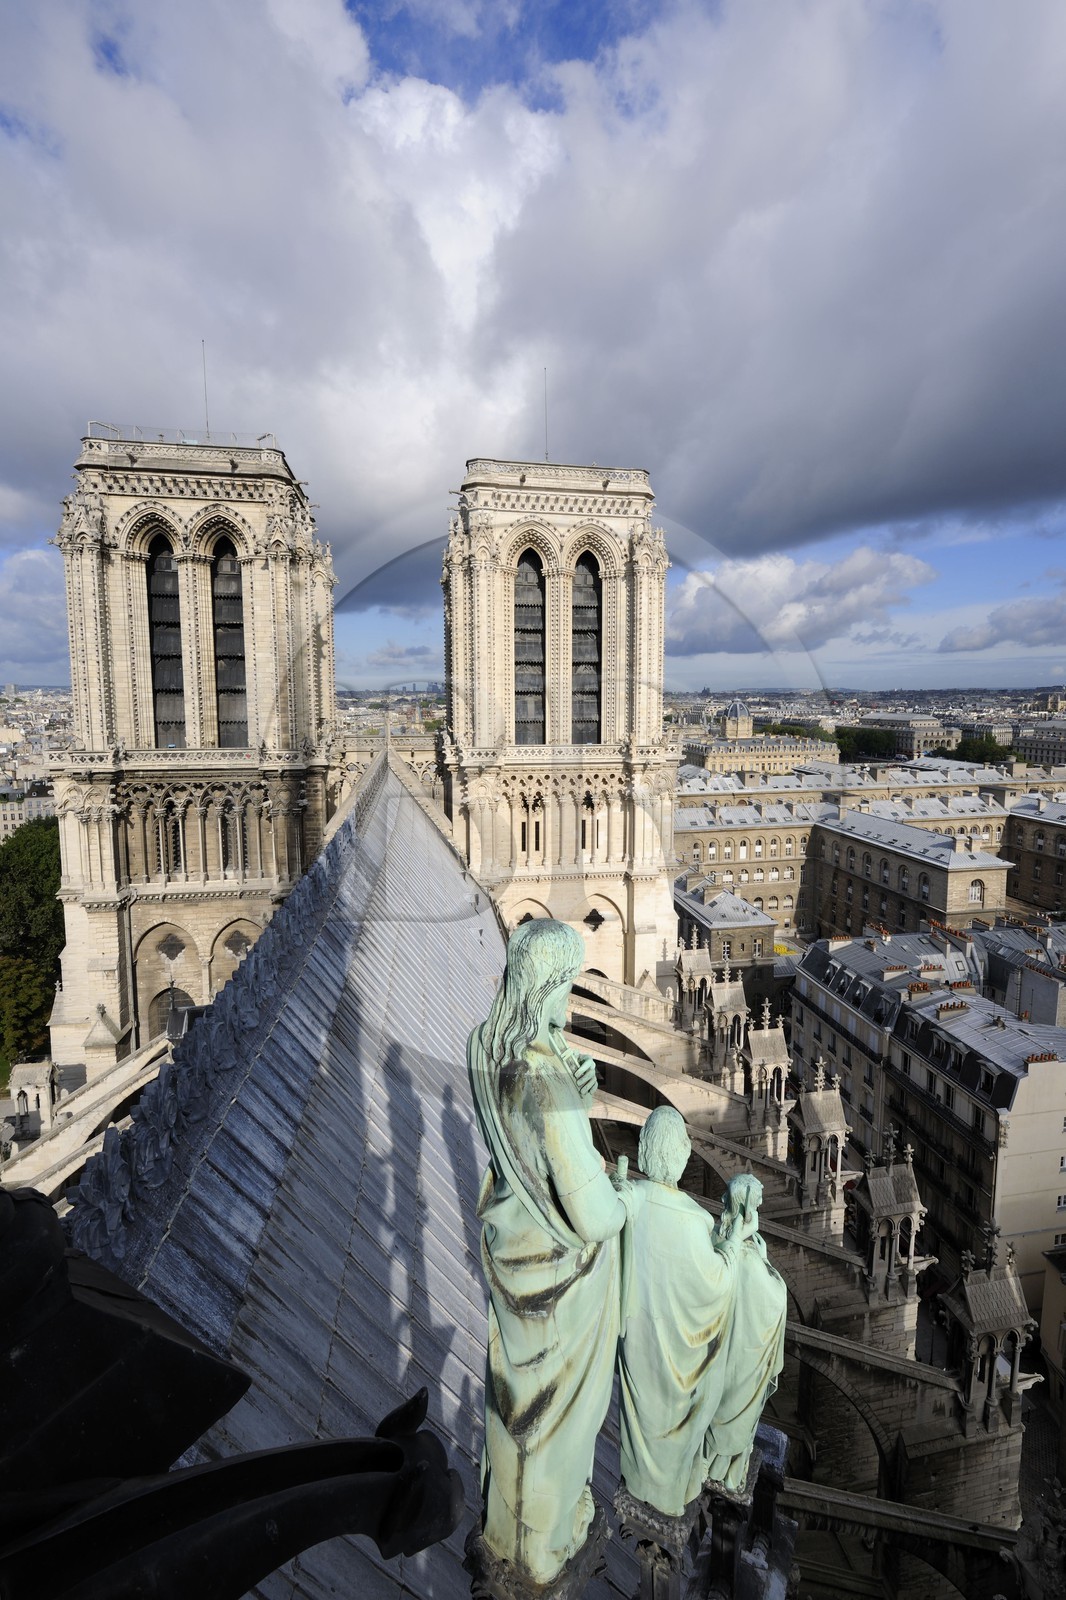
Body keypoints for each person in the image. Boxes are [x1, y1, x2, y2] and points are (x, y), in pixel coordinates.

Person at [468, 918, 627, 1584]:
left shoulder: (486, 1043)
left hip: (516, 1267)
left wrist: (575, 1093)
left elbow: (519, 1155)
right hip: (558, 1289)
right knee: (550, 1428)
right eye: (568, 983)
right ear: (552, 983)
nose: (571, 1000)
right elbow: (592, 1215)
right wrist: (621, 1193)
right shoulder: (540, 1078)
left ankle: (510, 1534)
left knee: (516, 1412)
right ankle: (538, 1552)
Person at [617, 1109, 786, 1516]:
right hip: (678, 1358)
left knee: (642, 1418)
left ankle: (643, 1476)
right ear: (682, 1156)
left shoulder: (628, 1201)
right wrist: (734, 1245)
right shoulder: (695, 1220)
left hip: (638, 1349)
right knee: (694, 1400)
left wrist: (618, 1187)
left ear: (642, 1151)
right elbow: (718, 1284)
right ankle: (676, 1483)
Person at [704, 1173, 787, 1494]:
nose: (762, 1207)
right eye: (758, 1203)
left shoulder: (718, 1236)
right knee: (730, 1415)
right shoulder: (750, 1258)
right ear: (747, 1209)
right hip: (740, 1360)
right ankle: (723, 1472)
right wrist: (765, 1262)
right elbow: (774, 1300)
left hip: (719, 1352)